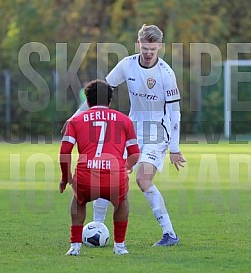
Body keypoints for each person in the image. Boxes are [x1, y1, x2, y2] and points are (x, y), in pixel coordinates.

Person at [63, 24, 186, 246]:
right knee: (105, 174)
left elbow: (175, 113)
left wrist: (175, 148)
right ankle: (97, 227)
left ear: (160, 47)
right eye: (145, 48)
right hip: (130, 131)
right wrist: (74, 119)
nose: (149, 53)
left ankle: (170, 234)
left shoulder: (166, 74)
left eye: (153, 49)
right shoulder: (127, 65)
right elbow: (100, 91)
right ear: (139, 44)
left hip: (158, 133)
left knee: (143, 179)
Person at [59, 79, 140, 256]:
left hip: (86, 175)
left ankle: (74, 247)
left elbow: (65, 152)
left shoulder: (76, 121)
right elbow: (134, 153)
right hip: (114, 176)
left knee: (79, 200)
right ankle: (120, 247)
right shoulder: (125, 120)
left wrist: (66, 178)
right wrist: (125, 166)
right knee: (122, 202)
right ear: (110, 101)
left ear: (87, 101)